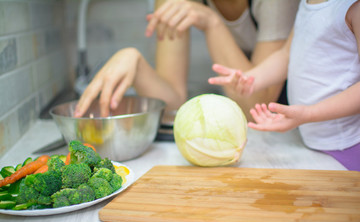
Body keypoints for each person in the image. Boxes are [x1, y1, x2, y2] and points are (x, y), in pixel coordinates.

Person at [74, 0, 299, 119]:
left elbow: (258, 108)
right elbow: (172, 102)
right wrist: (135, 61)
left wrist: (211, 22)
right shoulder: (173, 2)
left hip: (291, 112)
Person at [208, 0, 360, 171]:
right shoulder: (307, 3)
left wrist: (309, 113)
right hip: (315, 144)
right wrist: (251, 78)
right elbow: (286, 54)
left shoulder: (353, 8)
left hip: (350, 145)